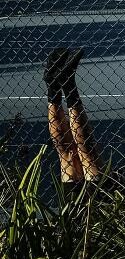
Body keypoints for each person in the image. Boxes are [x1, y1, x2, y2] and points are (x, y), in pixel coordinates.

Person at [43, 47, 104, 186]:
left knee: (86, 157)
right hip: (72, 196)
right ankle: (54, 88)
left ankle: (66, 83)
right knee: (68, 156)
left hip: (91, 199)